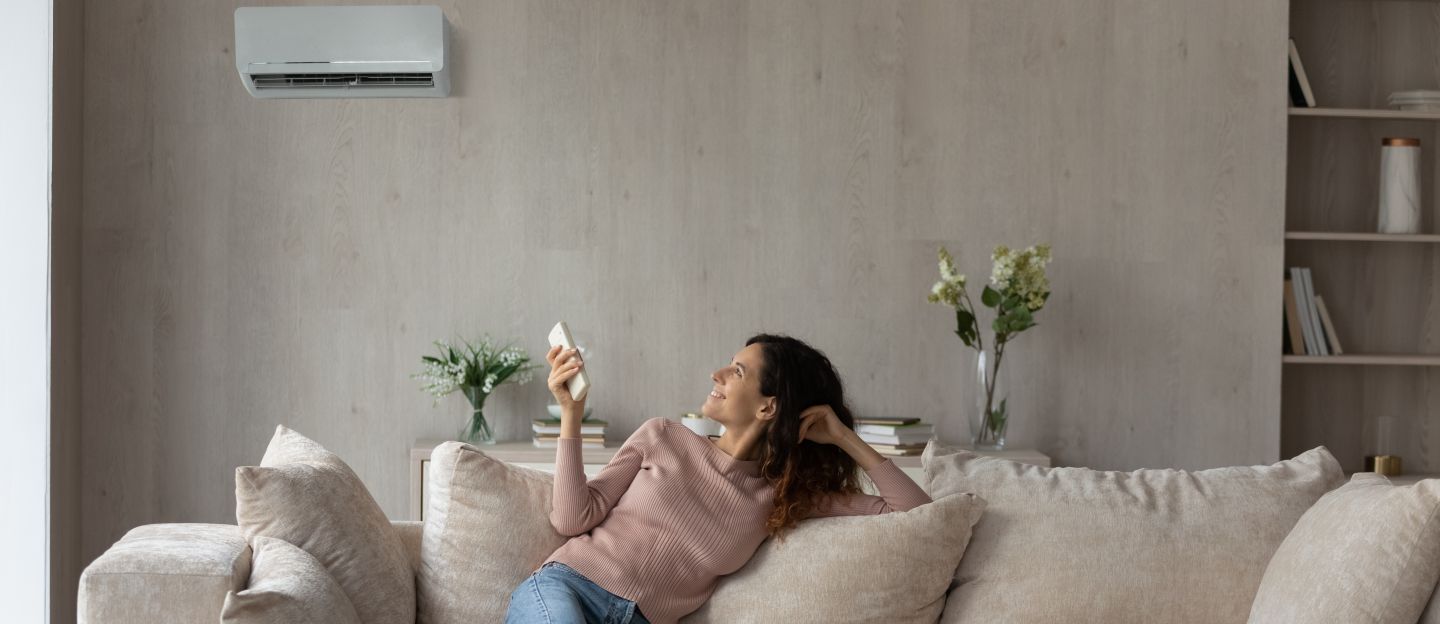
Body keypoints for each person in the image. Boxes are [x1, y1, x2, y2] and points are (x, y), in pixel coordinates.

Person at [503, 333, 932, 624]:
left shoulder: (778, 496)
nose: (717, 375)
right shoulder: (662, 436)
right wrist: (571, 415)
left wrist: (842, 436)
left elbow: (912, 511)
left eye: (738, 371)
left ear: (768, 408)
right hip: (567, 589)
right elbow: (572, 518)